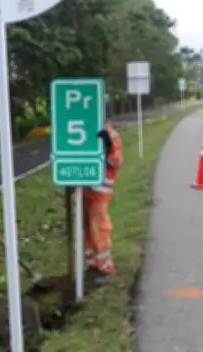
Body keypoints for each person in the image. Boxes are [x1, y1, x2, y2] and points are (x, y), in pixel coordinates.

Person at [82, 120, 123, 286]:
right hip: (84, 189)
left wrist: (106, 151)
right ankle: (93, 263)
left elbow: (117, 161)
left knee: (99, 226)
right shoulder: (81, 127)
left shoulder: (109, 132)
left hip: (100, 189)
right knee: (87, 228)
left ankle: (105, 266)